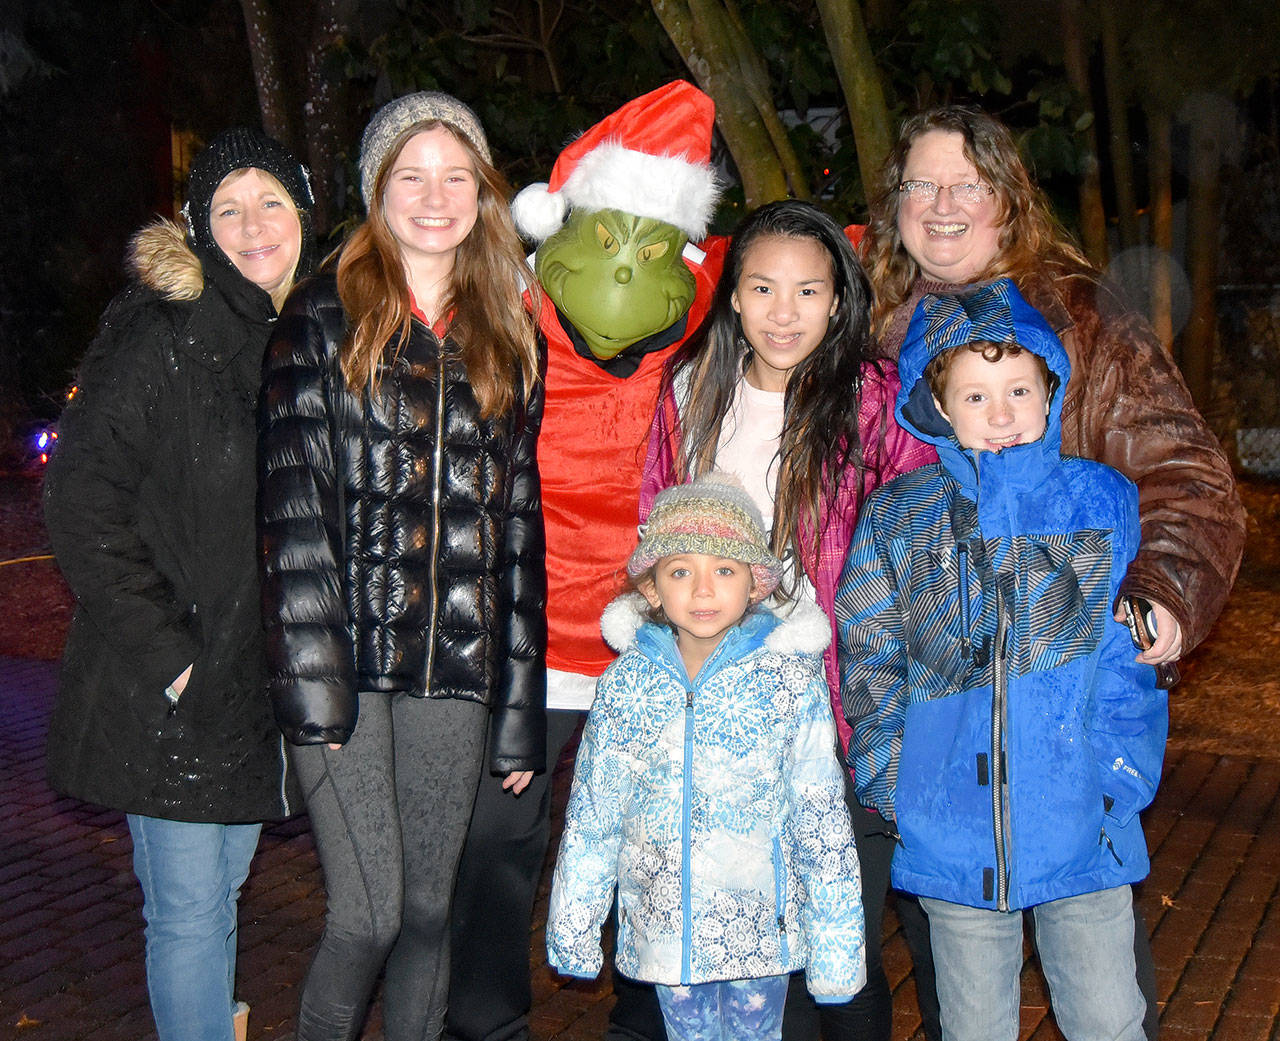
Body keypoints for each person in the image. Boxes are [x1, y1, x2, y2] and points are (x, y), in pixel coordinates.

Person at [859, 103, 1246, 1041]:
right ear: (896, 203)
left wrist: (1155, 604)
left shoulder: (1083, 320)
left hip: (1061, 743)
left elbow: (1187, 479)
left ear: (1009, 198)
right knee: (965, 995)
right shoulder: (873, 322)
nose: (943, 205)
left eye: (968, 185)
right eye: (922, 184)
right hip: (939, 740)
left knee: (1103, 995)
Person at [257, 91, 546, 1041]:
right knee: (369, 913)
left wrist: (516, 718)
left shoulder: (508, 331)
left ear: (484, 192)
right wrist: (315, 696)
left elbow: (514, 536)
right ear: (378, 191)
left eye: (455, 175)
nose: (434, 196)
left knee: (429, 913)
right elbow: (293, 530)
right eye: (410, 175)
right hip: (344, 672)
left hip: (452, 680)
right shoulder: (320, 319)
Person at [447, 81, 724, 1041]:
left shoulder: (705, 338)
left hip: (648, 640)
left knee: (654, 844)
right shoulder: (501, 327)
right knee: (496, 841)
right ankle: (482, 1019)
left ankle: (647, 1018)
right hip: (520, 636)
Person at [838, 278, 1168, 1041]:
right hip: (950, 824)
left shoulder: (1098, 500)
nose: (1002, 414)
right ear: (938, 407)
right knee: (974, 1024)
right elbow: (871, 650)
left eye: (1019, 388)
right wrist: (895, 777)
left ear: (1051, 390)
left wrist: (1119, 773)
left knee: (1108, 1017)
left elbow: (1127, 656)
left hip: (1081, 821)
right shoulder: (901, 514)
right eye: (976, 396)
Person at [43, 127, 315, 1041]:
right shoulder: (161, 329)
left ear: (305, 217)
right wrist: (173, 658)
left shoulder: (300, 334)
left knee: (224, 888)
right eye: (226, 207)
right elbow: (82, 503)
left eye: (270, 201)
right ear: (198, 226)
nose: (252, 225)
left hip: (255, 681)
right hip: (173, 681)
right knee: (192, 909)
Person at [640, 198, 933, 1040]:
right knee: (760, 947)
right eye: (763, 288)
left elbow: (914, 541)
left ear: (838, 301)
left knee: (842, 946)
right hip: (724, 711)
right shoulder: (693, 391)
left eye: (808, 291)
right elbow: (656, 532)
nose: (784, 311)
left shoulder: (877, 399)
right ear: (732, 295)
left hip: (844, 708)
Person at [547, 473, 867, 1041]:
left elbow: (820, 817)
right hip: (664, 930)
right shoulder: (626, 683)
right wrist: (574, 928)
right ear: (651, 589)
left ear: (754, 585)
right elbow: (594, 814)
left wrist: (837, 951)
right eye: (680, 572)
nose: (702, 591)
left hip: (759, 931)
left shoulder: (790, 680)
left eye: (724, 570)